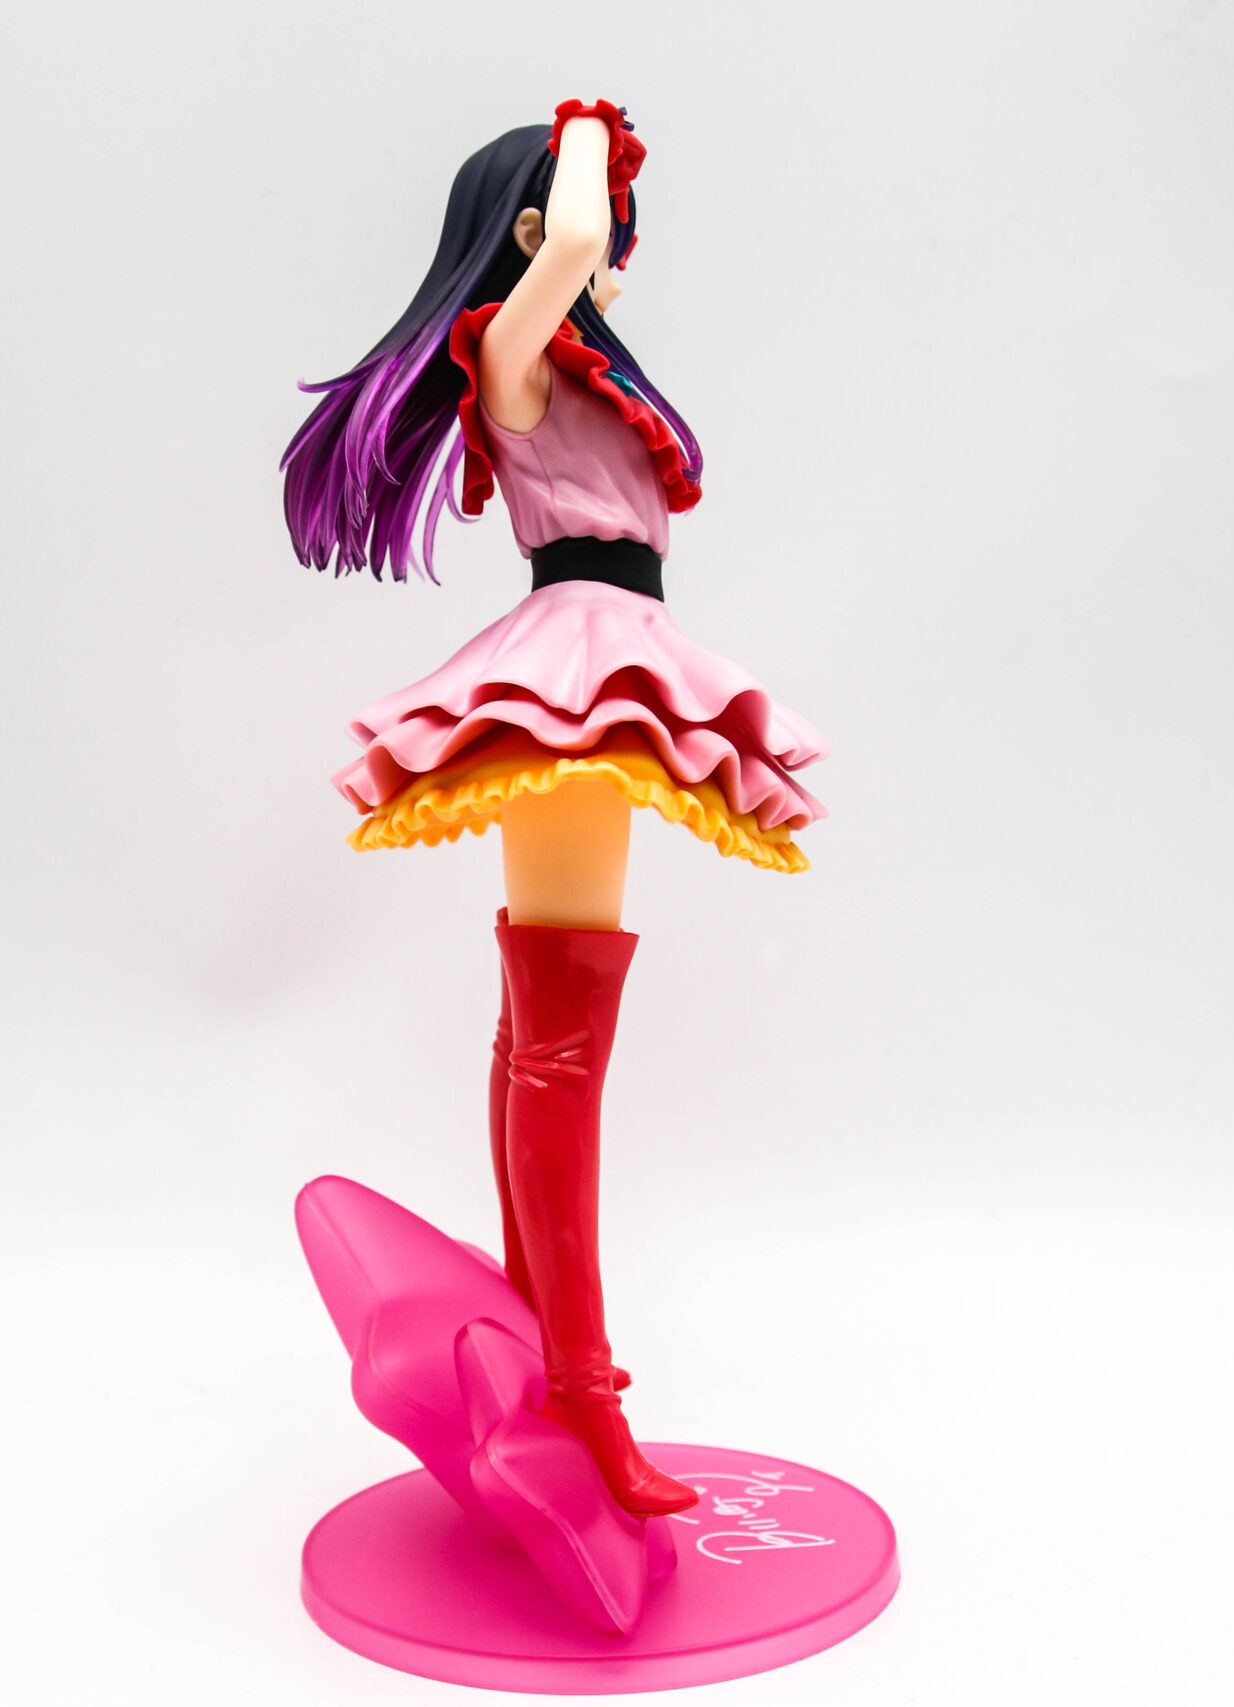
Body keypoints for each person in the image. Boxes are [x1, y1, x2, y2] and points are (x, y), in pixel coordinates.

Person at [281, 101, 827, 1518]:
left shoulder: (569, 363)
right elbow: (577, 232)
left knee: (539, 1029)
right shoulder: (514, 350)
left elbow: (584, 244)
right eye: (604, 242)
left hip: (613, 647)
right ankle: (583, 1388)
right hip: (576, 666)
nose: (614, 267)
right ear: (532, 235)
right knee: (561, 1037)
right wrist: (589, 124)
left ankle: (544, 1351)